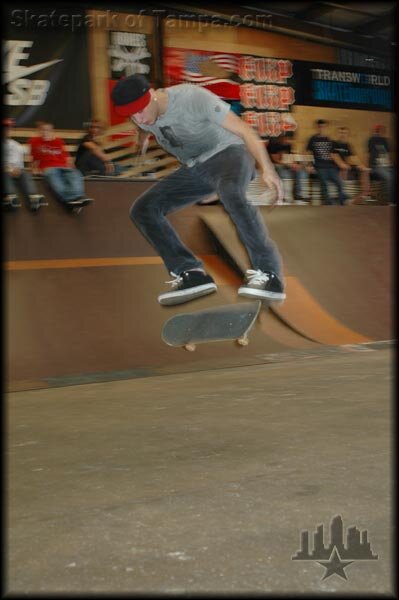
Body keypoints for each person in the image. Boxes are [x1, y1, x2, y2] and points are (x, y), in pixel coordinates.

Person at [111, 74, 285, 306]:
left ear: (152, 95)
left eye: (141, 110)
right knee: (143, 209)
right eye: (133, 115)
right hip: (197, 167)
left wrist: (268, 169)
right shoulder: (141, 117)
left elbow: (245, 131)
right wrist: (142, 139)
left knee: (231, 192)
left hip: (229, 152)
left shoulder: (192, 98)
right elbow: (143, 124)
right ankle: (191, 273)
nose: (139, 118)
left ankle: (269, 274)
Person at [29, 121, 93, 208]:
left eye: (48, 130)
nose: (45, 132)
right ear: (39, 131)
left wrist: (72, 167)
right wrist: (34, 170)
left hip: (63, 166)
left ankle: (79, 196)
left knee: (76, 174)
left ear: (52, 131)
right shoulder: (34, 142)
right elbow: (33, 159)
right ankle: (70, 199)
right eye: (43, 130)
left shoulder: (59, 141)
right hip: (48, 168)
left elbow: (67, 158)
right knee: (53, 175)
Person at [3, 118, 46, 210]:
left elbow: (32, 151)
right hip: (5, 171)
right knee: (5, 175)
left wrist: (33, 166)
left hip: (18, 171)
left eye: (10, 128)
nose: (8, 130)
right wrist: (9, 169)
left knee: (25, 174)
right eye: (6, 128)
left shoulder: (15, 144)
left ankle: (33, 197)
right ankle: (10, 197)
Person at [306, 119, 349, 206]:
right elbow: (308, 152)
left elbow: (335, 155)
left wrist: (342, 165)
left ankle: (342, 202)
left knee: (339, 182)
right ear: (317, 127)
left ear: (326, 127)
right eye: (320, 127)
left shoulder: (330, 140)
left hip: (332, 166)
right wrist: (309, 165)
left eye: (324, 127)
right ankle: (328, 203)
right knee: (324, 182)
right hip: (320, 166)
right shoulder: (313, 139)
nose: (322, 128)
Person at [267, 131, 311, 204]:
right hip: (274, 164)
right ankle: (281, 196)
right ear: (282, 138)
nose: (288, 141)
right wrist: (289, 164)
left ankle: (297, 195)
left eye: (290, 140)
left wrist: (295, 164)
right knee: (282, 172)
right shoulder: (273, 144)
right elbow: (275, 160)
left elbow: (288, 157)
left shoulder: (288, 145)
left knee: (300, 171)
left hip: (285, 164)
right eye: (287, 139)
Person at [332, 126, 372, 204]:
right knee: (345, 169)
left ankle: (366, 193)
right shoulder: (334, 143)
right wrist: (342, 164)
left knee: (364, 170)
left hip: (347, 166)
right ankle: (342, 197)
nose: (343, 135)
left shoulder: (348, 145)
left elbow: (354, 157)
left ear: (347, 134)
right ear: (338, 134)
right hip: (336, 166)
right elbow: (334, 156)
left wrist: (361, 165)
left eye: (345, 133)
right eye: (341, 133)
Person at [367, 124, 394, 204]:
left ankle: (384, 198)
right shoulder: (372, 140)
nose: (380, 132)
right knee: (389, 177)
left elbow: (386, 154)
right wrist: (368, 167)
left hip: (385, 165)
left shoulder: (385, 140)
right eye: (378, 130)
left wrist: (388, 164)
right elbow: (369, 155)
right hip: (375, 166)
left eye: (382, 130)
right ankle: (388, 200)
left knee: (391, 175)